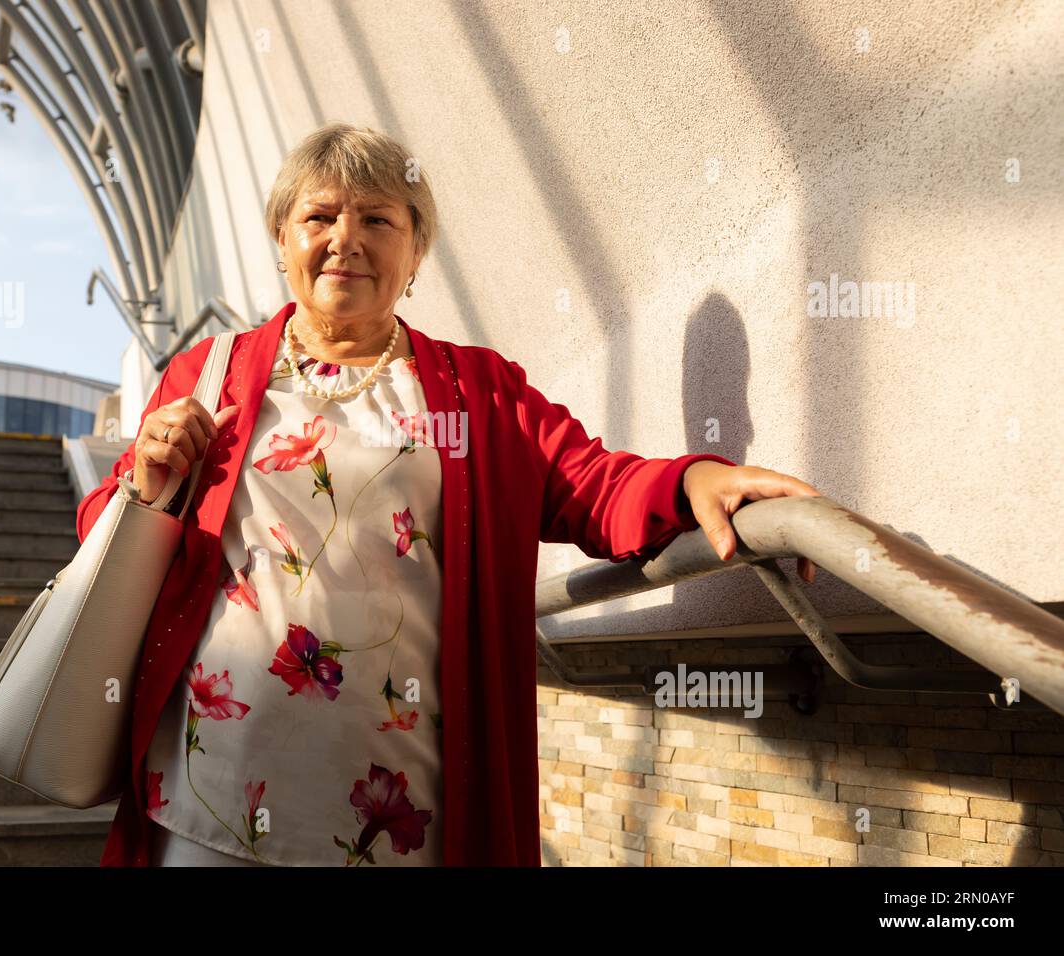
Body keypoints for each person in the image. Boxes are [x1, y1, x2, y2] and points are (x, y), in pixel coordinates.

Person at [75, 122, 821, 867]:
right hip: (214, 788)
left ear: (415, 251)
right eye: (319, 216)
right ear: (281, 239)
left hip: (401, 805)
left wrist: (695, 480)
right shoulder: (211, 374)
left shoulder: (478, 392)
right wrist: (146, 482)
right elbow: (106, 535)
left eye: (377, 218)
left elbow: (588, 483)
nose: (346, 239)